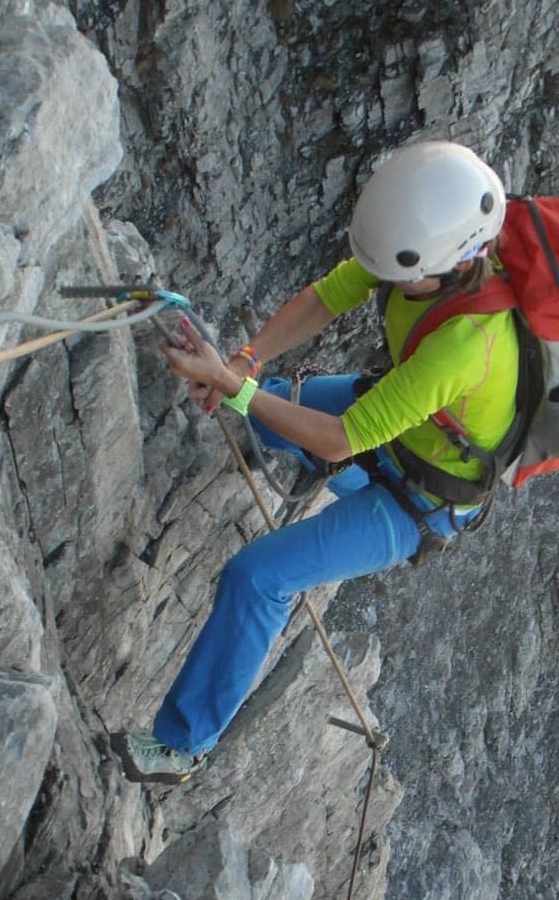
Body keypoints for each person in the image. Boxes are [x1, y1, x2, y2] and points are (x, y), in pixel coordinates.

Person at [114, 140, 518, 783]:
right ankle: (273, 427)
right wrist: (244, 363)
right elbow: (328, 296)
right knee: (271, 414)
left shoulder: (469, 348)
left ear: (453, 262)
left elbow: (339, 439)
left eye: (402, 277)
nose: (391, 282)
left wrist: (232, 385)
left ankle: (182, 749)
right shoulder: (420, 254)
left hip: (419, 503)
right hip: (400, 427)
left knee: (259, 577)